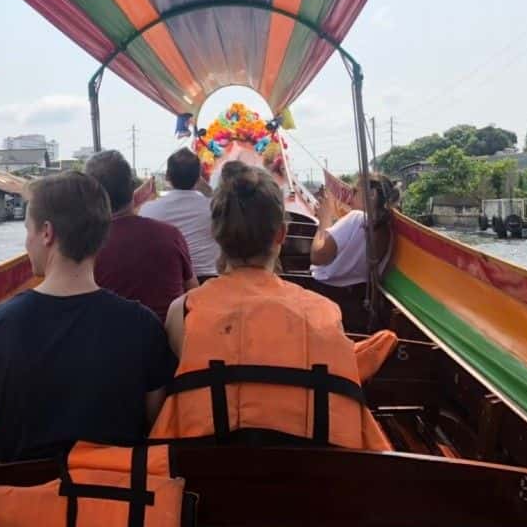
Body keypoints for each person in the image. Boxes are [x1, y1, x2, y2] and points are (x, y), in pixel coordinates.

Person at [0, 172, 178, 462]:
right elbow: (156, 425)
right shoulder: (143, 326)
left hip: (23, 502)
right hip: (115, 501)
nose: (26, 243)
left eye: (27, 230)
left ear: (46, 233)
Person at [152, 165, 392, 450]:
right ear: (281, 235)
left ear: (215, 234)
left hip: (208, 481)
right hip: (309, 481)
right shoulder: (327, 313)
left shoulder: (183, 311)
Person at [86, 150, 198, 319]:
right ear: (132, 188)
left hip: (108, 340)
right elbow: (193, 291)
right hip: (166, 340)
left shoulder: (86, 246)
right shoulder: (170, 235)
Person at [139, 148, 221, 278]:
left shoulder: (149, 210)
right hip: (210, 279)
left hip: (171, 282)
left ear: (167, 175)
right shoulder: (216, 207)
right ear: (199, 177)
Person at [309, 174, 400, 287]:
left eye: (355, 191)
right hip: (360, 293)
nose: (351, 197)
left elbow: (317, 257)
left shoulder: (357, 217)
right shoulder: (388, 230)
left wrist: (324, 219)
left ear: (372, 195)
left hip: (326, 289)